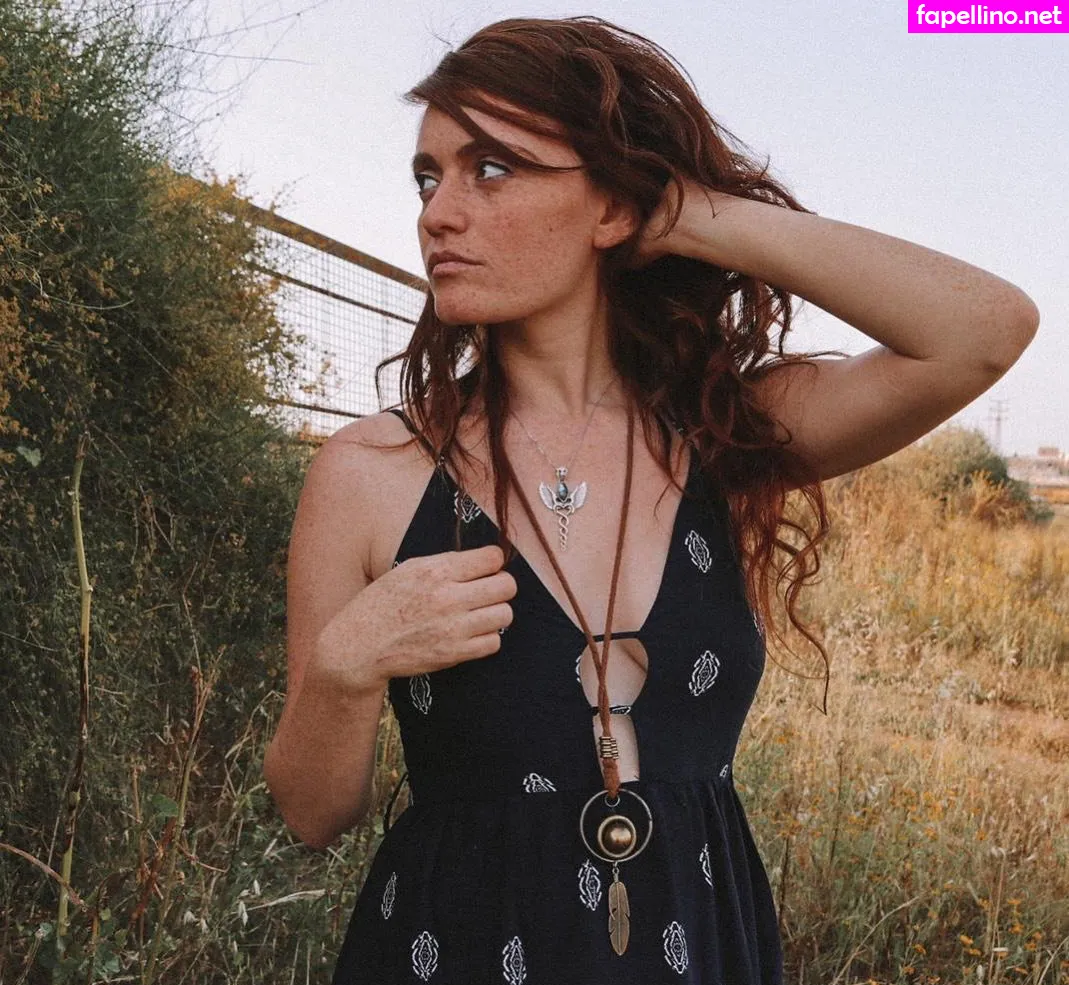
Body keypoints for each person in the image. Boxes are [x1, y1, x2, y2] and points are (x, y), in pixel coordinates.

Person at [263, 15, 1039, 985]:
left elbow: (982, 330)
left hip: (696, 945)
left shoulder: (723, 434)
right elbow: (312, 812)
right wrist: (346, 665)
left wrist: (686, 214)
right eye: (428, 178)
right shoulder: (370, 470)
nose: (437, 214)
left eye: (491, 169)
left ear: (611, 207)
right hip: (454, 948)